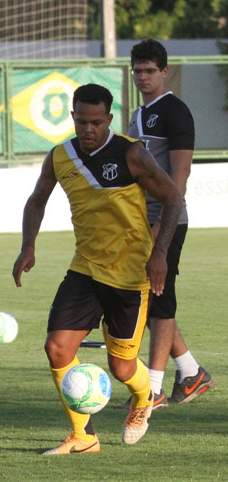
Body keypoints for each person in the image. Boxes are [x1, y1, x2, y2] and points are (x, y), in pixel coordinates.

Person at [12, 84, 183, 455]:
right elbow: (36, 201)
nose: (88, 129)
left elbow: (173, 198)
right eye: (82, 122)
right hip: (85, 270)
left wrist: (160, 253)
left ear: (109, 119)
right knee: (57, 348)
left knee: (122, 368)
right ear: (73, 117)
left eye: (96, 122)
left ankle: (144, 397)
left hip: (129, 275)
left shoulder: (131, 154)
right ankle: (83, 437)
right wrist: (28, 246)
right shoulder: (60, 157)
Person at [114, 39, 214, 409]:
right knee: (149, 297)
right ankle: (191, 372)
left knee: (159, 299)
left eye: (150, 70)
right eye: (137, 70)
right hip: (140, 221)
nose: (143, 76)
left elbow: (180, 175)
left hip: (166, 220)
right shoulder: (138, 114)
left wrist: (160, 227)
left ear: (165, 72)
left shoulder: (175, 112)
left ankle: (152, 390)